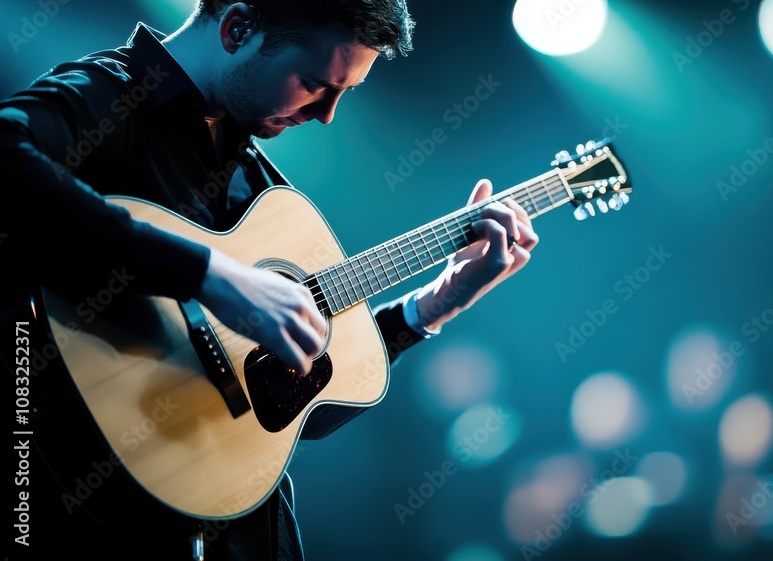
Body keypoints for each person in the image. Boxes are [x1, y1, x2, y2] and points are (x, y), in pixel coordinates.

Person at [0, 1, 538, 559]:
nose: (327, 114)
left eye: (343, 93)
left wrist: (434, 305)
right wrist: (207, 274)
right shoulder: (105, 95)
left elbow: (282, 407)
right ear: (238, 29)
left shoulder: (255, 178)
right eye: (313, 84)